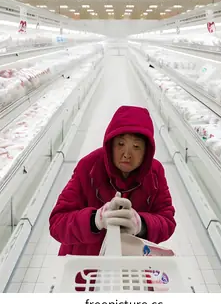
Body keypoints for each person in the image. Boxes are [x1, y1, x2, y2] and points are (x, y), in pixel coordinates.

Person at [49, 105, 176, 256]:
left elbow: (167, 221)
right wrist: (95, 220)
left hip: (131, 267)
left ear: (147, 151)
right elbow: (57, 223)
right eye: (120, 144)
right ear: (111, 144)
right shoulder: (88, 167)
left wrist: (141, 224)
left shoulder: (154, 173)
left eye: (136, 147)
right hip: (85, 266)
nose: (126, 154)